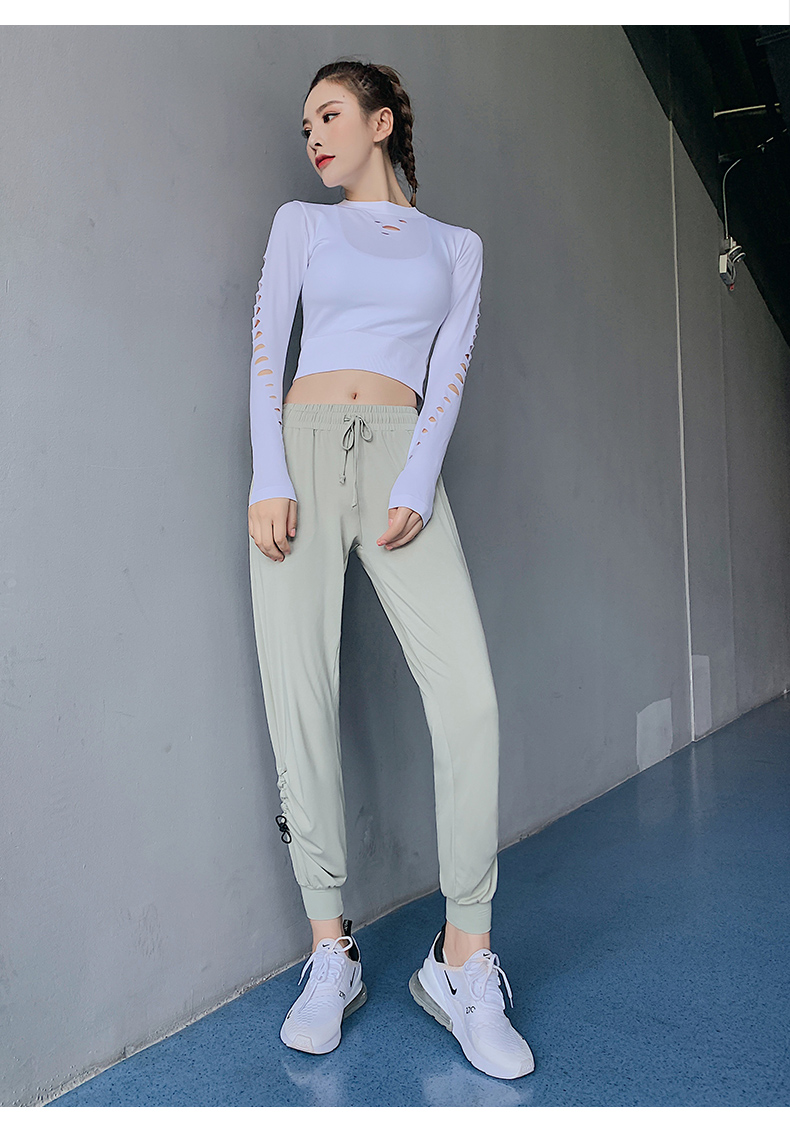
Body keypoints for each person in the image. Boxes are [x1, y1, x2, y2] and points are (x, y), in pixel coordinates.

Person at [247, 58, 534, 1082]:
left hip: (403, 460)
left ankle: (463, 959)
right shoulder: (301, 225)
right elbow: (265, 348)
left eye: (330, 115)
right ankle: (331, 949)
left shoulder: (456, 247)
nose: (314, 137)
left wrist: (417, 474)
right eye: (305, 126)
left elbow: (450, 368)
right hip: (300, 455)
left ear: (380, 122)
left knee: (469, 699)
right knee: (300, 696)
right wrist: (268, 472)